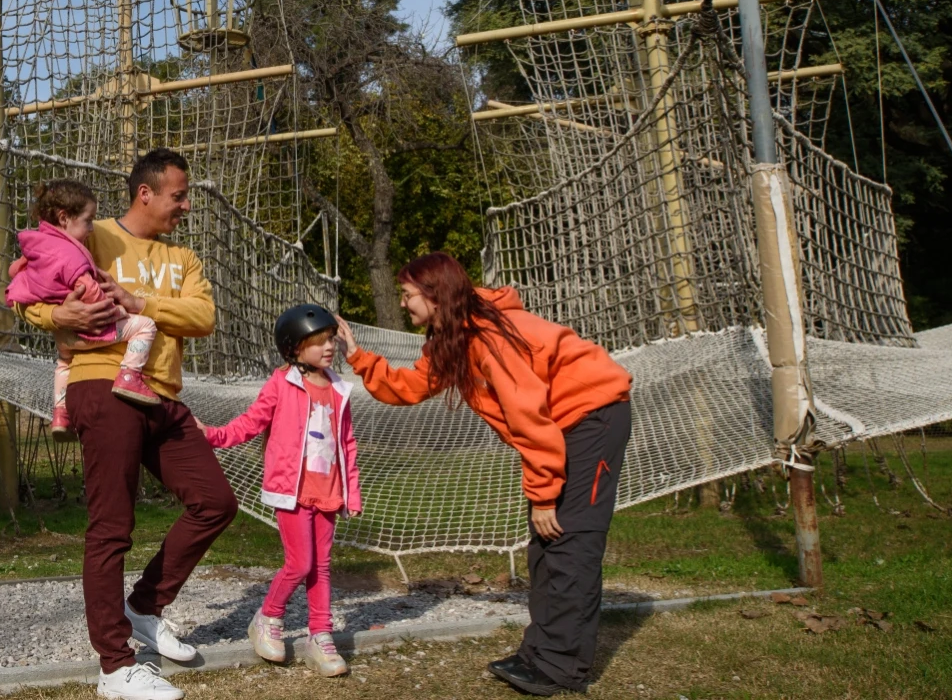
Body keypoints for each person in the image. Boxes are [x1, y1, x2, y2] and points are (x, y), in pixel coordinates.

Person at [336, 252, 632, 696]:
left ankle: (561, 668)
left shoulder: (490, 336)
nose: (403, 304)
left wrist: (544, 493)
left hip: (591, 419)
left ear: (435, 295)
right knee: (546, 548)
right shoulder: (455, 336)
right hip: (562, 427)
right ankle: (540, 652)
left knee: (571, 543)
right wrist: (358, 356)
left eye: (408, 294)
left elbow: (529, 417)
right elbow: (409, 386)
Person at [17, 148, 238, 700]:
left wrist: (141, 300)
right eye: (179, 195)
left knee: (215, 502)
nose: (185, 205)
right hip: (103, 385)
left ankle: (142, 607)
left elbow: (203, 317)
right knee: (112, 526)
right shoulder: (95, 235)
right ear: (147, 192)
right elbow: (30, 280)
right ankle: (115, 668)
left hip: (160, 396)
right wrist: (56, 316)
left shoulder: (184, 259)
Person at [203, 303, 362, 677]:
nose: (328, 347)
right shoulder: (282, 382)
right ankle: (268, 618)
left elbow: (348, 444)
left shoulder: (340, 389)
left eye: (330, 340)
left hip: (329, 492)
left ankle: (320, 636)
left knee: (322, 567)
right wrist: (212, 435)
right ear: (293, 349)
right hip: (291, 491)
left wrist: (351, 493)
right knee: (300, 563)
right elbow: (251, 422)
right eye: (318, 342)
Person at [5, 179, 162, 434]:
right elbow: (89, 291)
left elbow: (17, 272)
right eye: (88, 220)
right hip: (90, 331)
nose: (92, 228)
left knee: (64, 364)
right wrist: (118, 310)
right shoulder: (70, 254)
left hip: (63, 337)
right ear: (64, 218)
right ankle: (130, 376)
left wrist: (51, 313)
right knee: (144, 325)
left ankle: (60, 413)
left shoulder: (38, 244)